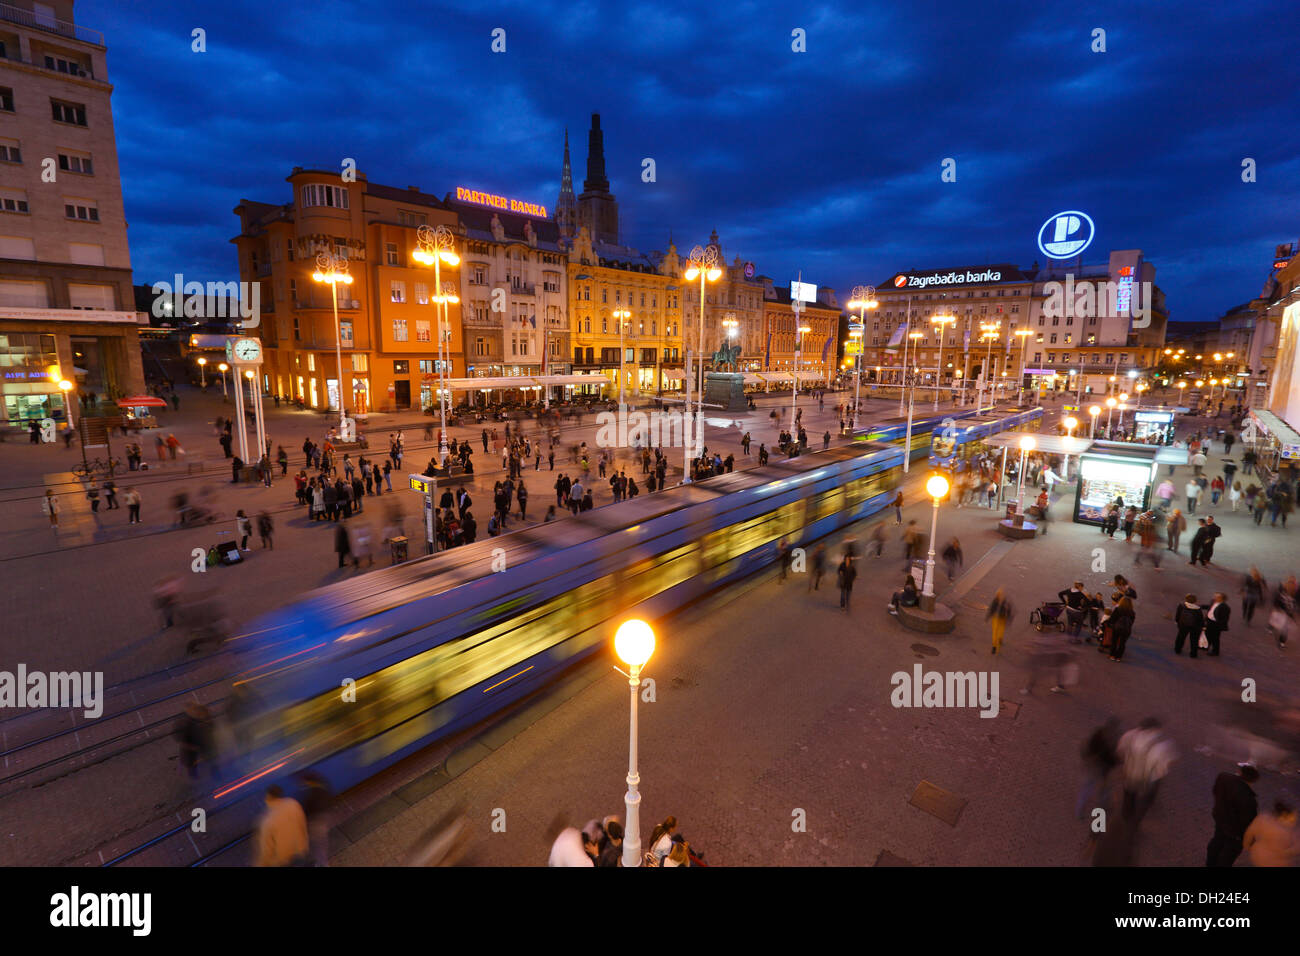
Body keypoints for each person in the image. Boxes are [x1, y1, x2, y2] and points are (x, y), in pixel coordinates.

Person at [1117, 718, 1176, 824]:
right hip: (1145, 778)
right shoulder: (1161, 746)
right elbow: (1161, 769)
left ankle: (1126, 815)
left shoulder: (1130, 735)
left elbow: (1121, 750)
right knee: (1147, 797)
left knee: (1129, 795)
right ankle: (1137, 819)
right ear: (1155, 730)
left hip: (1129, 773)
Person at [1206, 764, 1259, 867]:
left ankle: (1210, 863)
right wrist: (1250, 839)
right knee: (1228, 854)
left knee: (1217, 843)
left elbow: (1215, 791)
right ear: (1253, 780)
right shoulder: (1249, 799)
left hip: (1220, 819)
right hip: (1235, 832)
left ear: (1240, 772)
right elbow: (1248, 822)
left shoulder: (1223, 777)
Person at [254, 785, 310, 867]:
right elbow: (302, 824)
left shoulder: (268, 820)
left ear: (268, 796)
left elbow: (267, 849)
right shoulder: (293, 804)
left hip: (283, 860)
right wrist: (304, 845)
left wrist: (262, 864)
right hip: (300, 851)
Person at [1242, 801, 1299, 868]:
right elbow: (1294, 848)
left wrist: (1247, 845)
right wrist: (1289, 852)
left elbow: (1249, 834)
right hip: (1278, 862)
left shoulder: (1262, 818)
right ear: (1285, 815)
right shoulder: (1287, 831)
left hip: (1259, 856)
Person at [1107, 596, 1136, 662]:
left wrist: (1109, 624)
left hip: (1117, 628)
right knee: (1122, 643)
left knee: (1114, 641)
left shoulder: (1118, 609)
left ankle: (1112, 655)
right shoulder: (1132, 612)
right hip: (1126, 630)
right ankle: (1119, 657)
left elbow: (1112, 619)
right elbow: (1132, 622)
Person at [1201, 592, 1229, 656]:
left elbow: (1224, 618)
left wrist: (1219, 625)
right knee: (1207, 634)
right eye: (1215, 596)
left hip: (1216, 624)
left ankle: (1215, 651)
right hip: (1209, 621)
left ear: (1222, 599)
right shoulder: (1213, 601)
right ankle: (1205, 647)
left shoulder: (1225, 607)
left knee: (1215, 638)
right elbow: (1210, 607)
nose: (1214, 598)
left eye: (1217, 597)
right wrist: (1201, 606)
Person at [987, 588, 1013, 655]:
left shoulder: (995, 601)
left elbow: (992, 609)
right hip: (1002, 618)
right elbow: (1009, 610)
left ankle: (994, 646)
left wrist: (988, 617)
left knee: (995, 632)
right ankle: (1000, 639)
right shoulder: (1005, 601)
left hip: (996, 618)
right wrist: (1009, 618)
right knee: (1001, 630)